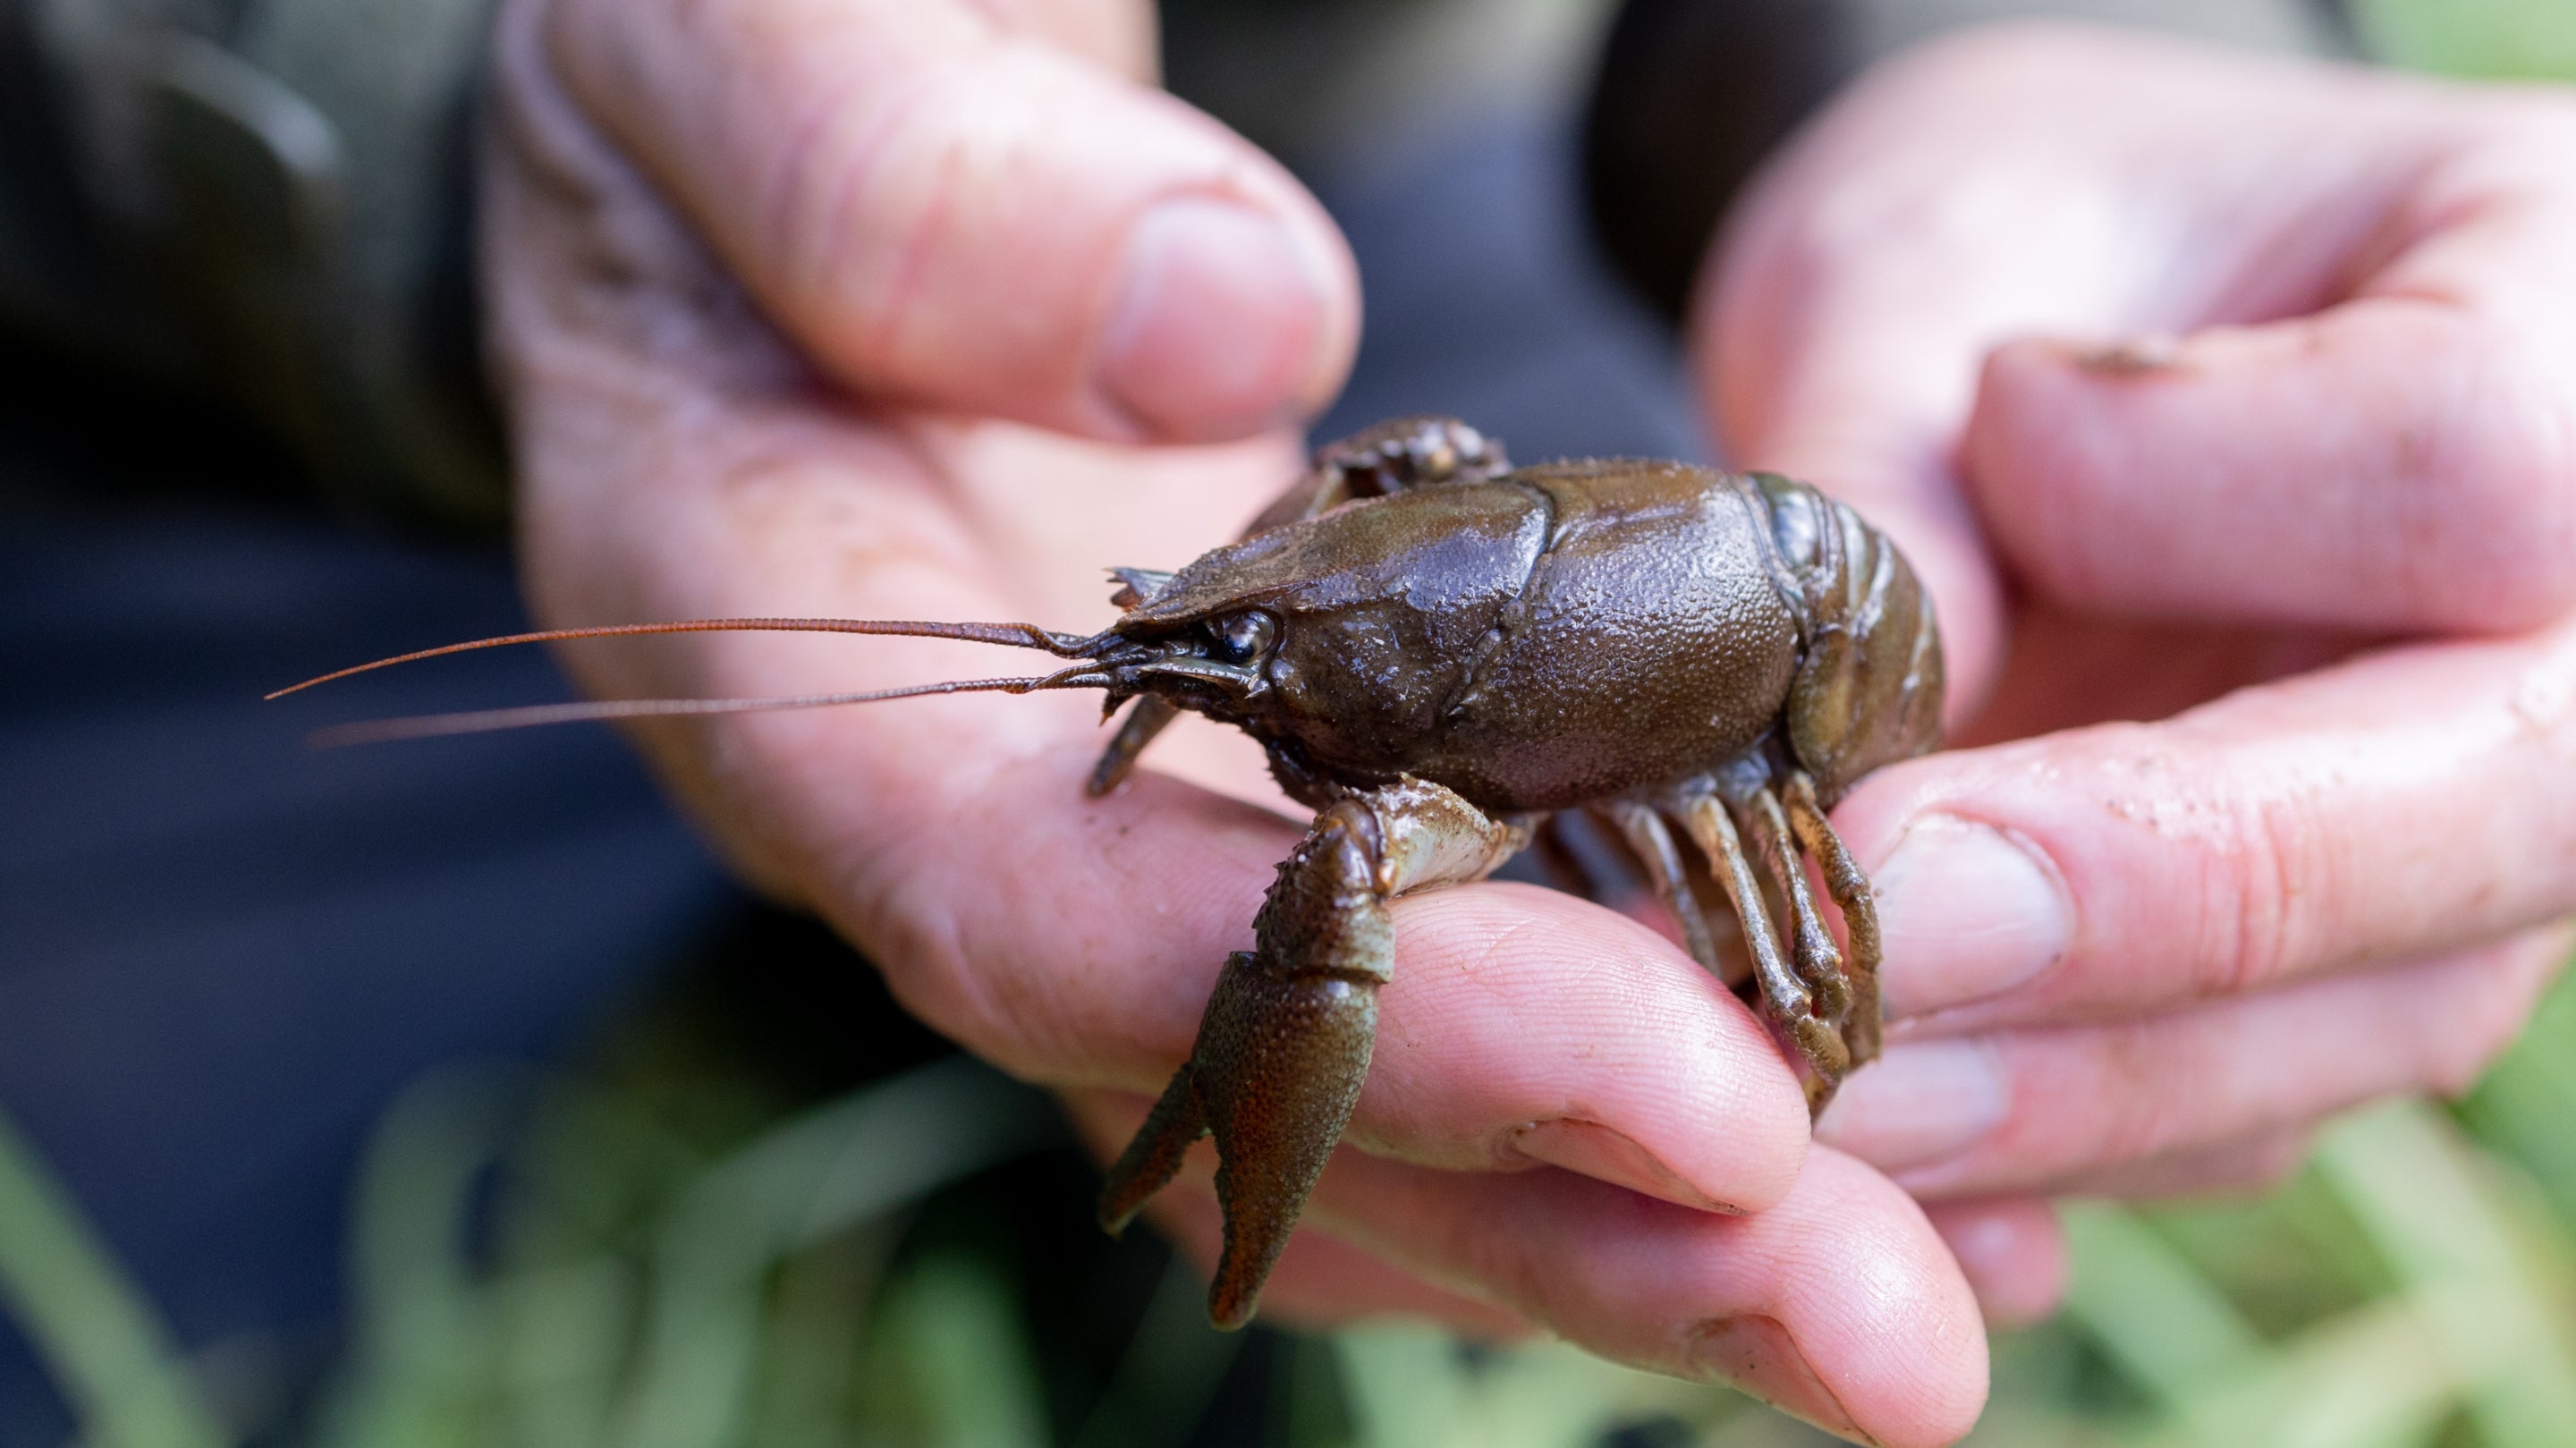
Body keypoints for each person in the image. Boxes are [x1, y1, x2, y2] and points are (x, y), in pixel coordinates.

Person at [11, 1, 2576, 1444]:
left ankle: (1182, 1227)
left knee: (1463, 1143)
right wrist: (451, 104)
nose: (1202, 670)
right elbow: (1383, 517)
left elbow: (1402, 650)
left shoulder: (1585, 735)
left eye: (1227, 658)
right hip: (209, 372)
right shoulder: (1284, 586)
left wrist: (2005, 52)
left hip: (1444, 187)